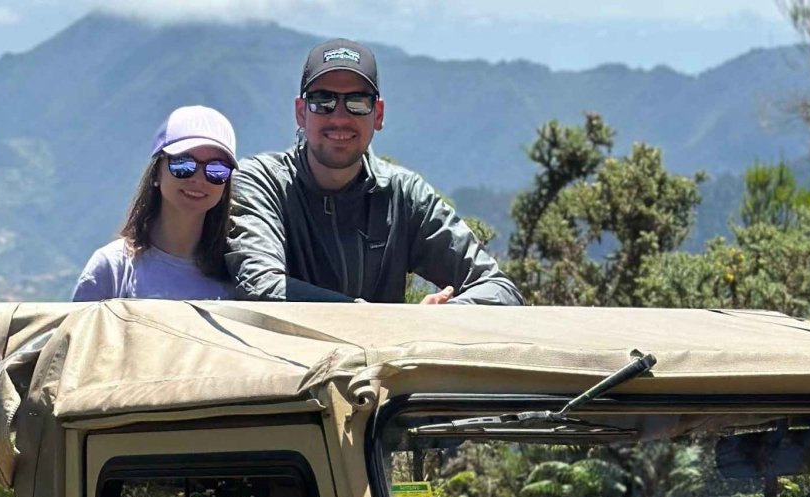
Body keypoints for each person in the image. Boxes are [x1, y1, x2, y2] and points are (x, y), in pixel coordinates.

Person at [227, 39, 523, 306]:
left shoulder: (403, 195)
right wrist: (368, 318)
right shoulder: (262, 183)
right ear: (301, 112)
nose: (340, 117)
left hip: (384, 366)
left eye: (357, 102)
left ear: (378, 114)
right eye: (323, 101)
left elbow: (500, 289)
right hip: (290, 364)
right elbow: (259, 283)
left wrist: (446, 317)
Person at [73, 106, 238, 301]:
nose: (199, 178)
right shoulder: (112, 269)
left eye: (216, 169)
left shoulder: (236, 276)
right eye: (183, 164)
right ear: (156, 172)